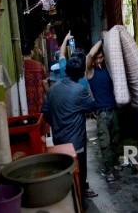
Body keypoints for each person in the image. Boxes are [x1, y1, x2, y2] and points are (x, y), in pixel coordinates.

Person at [41, 57, 98, 207]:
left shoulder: (53, 89)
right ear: (80, 74)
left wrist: (55, 123)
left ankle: (68, 197)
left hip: (59, 139)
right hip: (76, 141)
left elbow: (45, 111)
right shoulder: (79, 90)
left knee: (65, 170)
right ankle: (80, 200)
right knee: (80, 170)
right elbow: (91, 107)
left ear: (66, 71)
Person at [86, 32, 121, 183]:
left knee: (115, 140)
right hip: (101, 113)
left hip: (113, 110)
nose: (99, 60)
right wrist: (102, 40)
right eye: (97, 58)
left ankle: (114, 163)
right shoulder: (90, 72)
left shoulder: (107, 69)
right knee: (105, 143)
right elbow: (89, 55)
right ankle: (108, 172)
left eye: (101, 57)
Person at [21, 40, 48, 114]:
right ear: (31, 52)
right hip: (39, 100)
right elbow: (45, 82)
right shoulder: (39, 65)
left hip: (25, 104)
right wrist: (48, 94)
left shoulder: (19, 68)